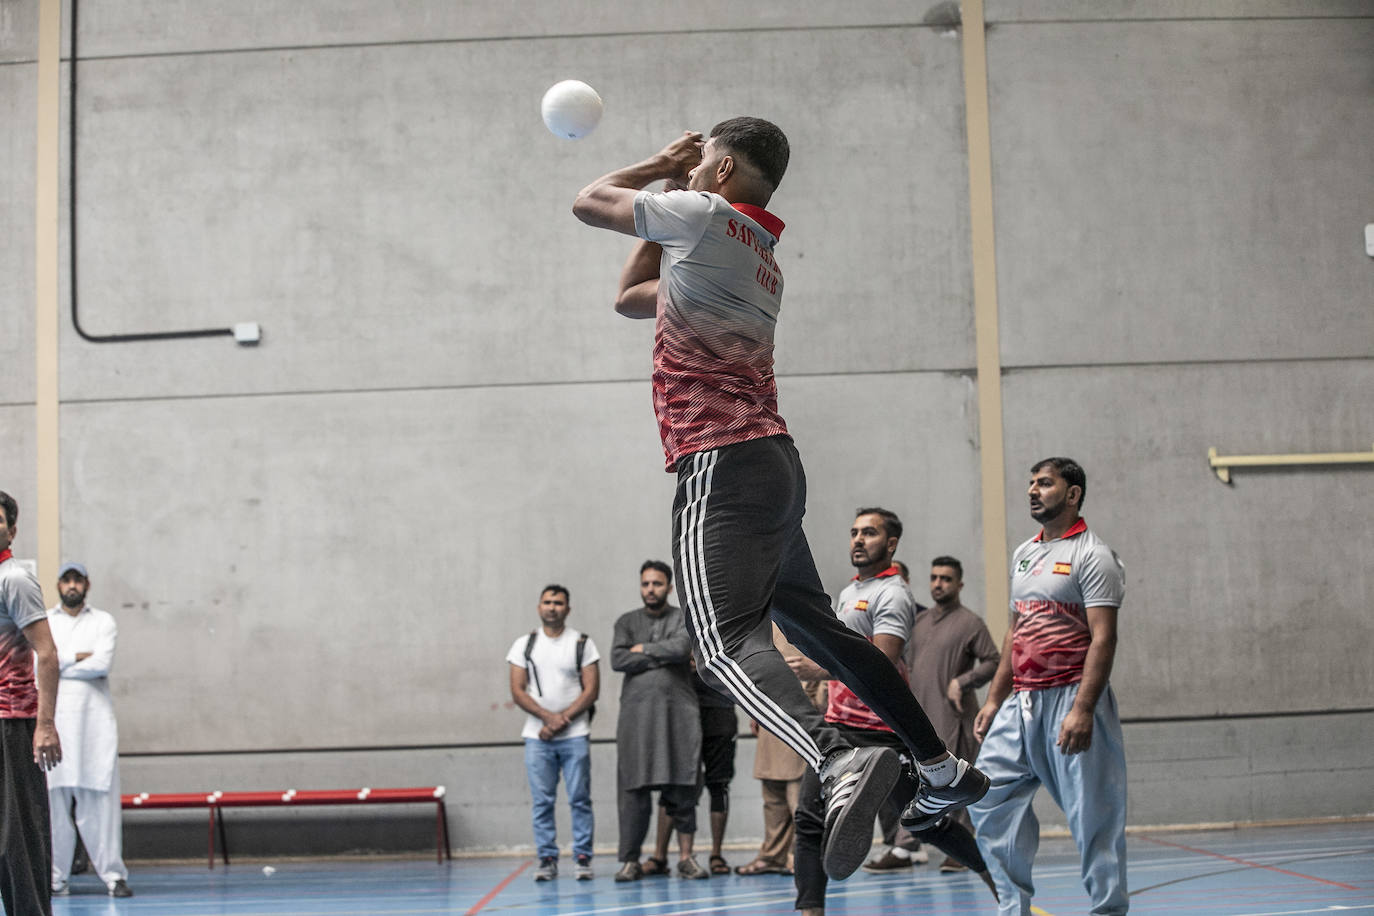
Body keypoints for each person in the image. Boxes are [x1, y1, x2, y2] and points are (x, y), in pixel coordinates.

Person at [572, 118, 985, 880]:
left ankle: (836, 761)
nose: (690, 176)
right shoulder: (758, 255)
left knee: (722, 643)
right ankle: (936, 761)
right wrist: (669, 189)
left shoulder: (702, 215)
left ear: (721, 168)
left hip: (720, 465)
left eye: (701, 166)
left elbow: (590, 199)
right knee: (821, 632)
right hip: (774, 467)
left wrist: (660, 166)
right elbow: (633, 297)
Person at [787, 508, 997, 914]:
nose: (858, 540)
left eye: (869, 532)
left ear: (891, 543)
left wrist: (815, 667)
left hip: (880, 731)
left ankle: (992, 873)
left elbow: (879, 662)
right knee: (809, 819)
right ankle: (810, 909)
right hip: (838, 727)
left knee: (924, 822)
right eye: (854, 532)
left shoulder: (893, 594)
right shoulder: (850, 593)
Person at [970, 458, 1128, 915]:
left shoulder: (1093, 555)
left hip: (1072, 699)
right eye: (1031, 484)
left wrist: (1082, 709)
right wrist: (995, 698)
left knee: (1095, 821)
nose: (1033, 491)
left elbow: (1104, 636)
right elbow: (1013, 633)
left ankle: (1108, 911)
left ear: (1073, 494)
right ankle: (1012, 908)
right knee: (987, 800)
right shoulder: (1025, 553)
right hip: (1021, 702)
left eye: (1045, 483)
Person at [611, 561, 706, 882]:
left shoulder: (683, 618)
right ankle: (629, 861)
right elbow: (618, 658)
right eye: (646, 583)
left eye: (657, 583)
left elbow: (682, 648)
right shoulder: (626, 622)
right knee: (633, 792)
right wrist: (660, 653)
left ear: (669, 587)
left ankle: (686, 858)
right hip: (636, 723)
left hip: (677, 718)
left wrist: (644, 650)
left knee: (683, 786)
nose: (650, 589)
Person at [905, 555, 1000, 874]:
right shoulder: (919, 622)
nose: (938, 584)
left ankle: (963, 848)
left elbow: (993, 661)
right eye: (934, 577)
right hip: (918, 716)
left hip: (953, 716)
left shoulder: (971, 623)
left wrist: (963, 681)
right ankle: (913, 844)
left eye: (945, 578)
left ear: (959, 584)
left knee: (955, 785)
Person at [45, 563, 133, 898]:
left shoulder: (103, 621)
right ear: (58, 584)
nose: (71, 585)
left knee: (99, 804)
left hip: (94, 729)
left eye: (77, 580)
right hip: (55, 725)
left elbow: (100, 664)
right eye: (66, 580)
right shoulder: (47, 622)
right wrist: (75, 658)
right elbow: (41, 667)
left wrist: (58, 661)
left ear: (87, 584)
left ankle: (113, 876)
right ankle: (56, 878)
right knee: (54, 806)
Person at [506, 585, 600, 882]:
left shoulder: (583, 643)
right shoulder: (524, 645)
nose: (552, 607)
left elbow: (592, 689)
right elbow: (517, 691)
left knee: (580, 799)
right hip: (537, 738)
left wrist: (563, 720)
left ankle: (583, 857)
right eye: (547, 602)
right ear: (538, 607)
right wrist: (547, 719)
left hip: (575, 736)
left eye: (558, 603)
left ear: (567, 609)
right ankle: (547, 858)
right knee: (542, 801)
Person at [0, 490, 64, 916]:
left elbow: (48, 652)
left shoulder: (15, 580)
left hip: (11, 723)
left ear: (12, 530)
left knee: (15, 841)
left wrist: (44, 725)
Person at [734, 625, 819, 877]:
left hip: (797, 713)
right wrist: (754, 708)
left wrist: (812, 704)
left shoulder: (801, 614)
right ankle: (772, 855)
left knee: (798, 795)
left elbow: (813, 668)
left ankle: (799, 855)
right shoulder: (760, 620)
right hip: (767, 712)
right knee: (772, 796)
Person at [649, 665, 738, 876]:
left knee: (719, 784)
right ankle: (659, 855)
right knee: (673, 782)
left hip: (719, 708)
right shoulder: (675, 632)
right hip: (681, 709)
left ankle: (716, 854)